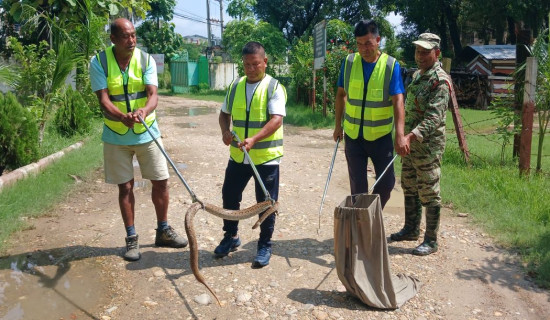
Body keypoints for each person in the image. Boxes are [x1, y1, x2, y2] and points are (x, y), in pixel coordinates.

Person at [89, 18, 187, 261]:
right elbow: (103, 99)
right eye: (125, 36)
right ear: (113, 39)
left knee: (161, 181)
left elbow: (153, 95)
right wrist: (122, 116)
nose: (131, 40)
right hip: (116, 133)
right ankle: (131, 239)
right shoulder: (99, 62)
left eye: (133, 35)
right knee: (126, 186)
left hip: (147, 130)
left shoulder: (145, 59)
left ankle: (163, 230)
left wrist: (143, 111)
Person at [216, 41, 286, 268]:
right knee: (229, 195)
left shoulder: (274, 87)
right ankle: (231, 236)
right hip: (238, 156)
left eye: (255, 64)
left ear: (265, 62)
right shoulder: (235, 86)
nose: (251, 68)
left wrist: (255, 140)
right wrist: (225, 131)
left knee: (265, 202)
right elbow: (224, 114)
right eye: (247, 64)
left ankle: (265, 244)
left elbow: (276, 119)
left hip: (266, 157)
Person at [333, 20, 407, 209]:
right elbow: (341, 95)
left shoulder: (390, 65)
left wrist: (400, 135)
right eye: (359, 43)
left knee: (387, 183)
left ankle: (371, 213)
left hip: (380, 137)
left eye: (367, 43)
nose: (363, 48)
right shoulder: (349, 62)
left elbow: (398, 100)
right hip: (353, 136)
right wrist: (337, 126)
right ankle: (361, 227)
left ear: (378, 40)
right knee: (357, 187)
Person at [389, 33, 451, 256]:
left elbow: (434, 118)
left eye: (425, 52)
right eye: (418, 51)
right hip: (410, 144)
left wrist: (410, 136)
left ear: (437, 53)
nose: (420, 56)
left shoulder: (440, 81)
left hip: (427, 146)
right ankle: (411, 229)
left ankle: (431, 241)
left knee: (429, 190)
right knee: (409, 185)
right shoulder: (417, 76)